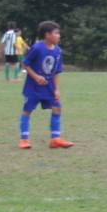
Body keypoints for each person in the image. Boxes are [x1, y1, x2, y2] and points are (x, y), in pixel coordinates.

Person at [19, 20, 73, 150]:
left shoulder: (58, 51)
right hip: (33, 88)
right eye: (56, 33)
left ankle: (55, 139)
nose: (59, 35)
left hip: (49, 87)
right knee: (27, 111)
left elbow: (56, 72)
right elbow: (25, 64)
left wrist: (56, 89)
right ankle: (24, 139)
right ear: (47, 35)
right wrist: (36, 76)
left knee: (57, 108)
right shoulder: (37, 48)